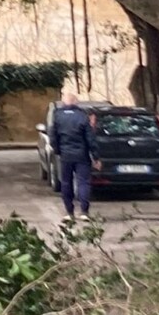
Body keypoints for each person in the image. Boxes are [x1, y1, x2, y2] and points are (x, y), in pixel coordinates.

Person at [49, 88, 100, 220]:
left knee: (66, 182)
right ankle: (84, 211)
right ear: (76, 102)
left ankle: (69, 212)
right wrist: (96, 157)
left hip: (65, 155)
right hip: (81, 155)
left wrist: (57, 151)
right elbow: (90, 138)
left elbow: (53, 136)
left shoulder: (57, 116)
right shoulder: (82, 116)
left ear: (64, 102)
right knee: (83, 182)